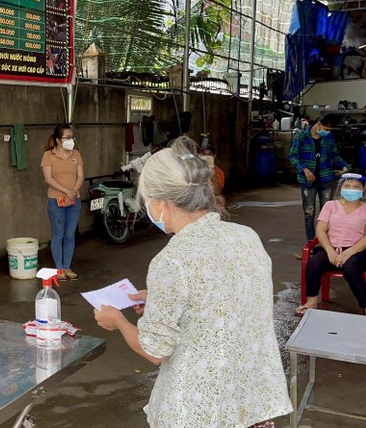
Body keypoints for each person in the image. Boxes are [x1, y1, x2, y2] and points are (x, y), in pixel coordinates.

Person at [93, 137, 292, 428]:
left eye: (147, 200)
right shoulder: (245, 236)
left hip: (201, 407)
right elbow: (227, 297)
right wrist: (160, 297)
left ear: (162, 203)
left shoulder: (172, 260)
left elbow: (154, 351)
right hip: (252, 400)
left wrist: (118, 322)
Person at [297, 172, 366, 316]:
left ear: (363, 189)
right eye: (347, 186)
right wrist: (330, 251)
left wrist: (348, 252)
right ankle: (311, 301)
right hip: (331, 248)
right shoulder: (330, 205)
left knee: (351, 268)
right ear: (341, 188)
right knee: (314, 263)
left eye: (356, 187)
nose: (351, 189)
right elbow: (321, 230)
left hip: (358, 251)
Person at [289, 113, 348, 241]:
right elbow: (292, 156)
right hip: (307, 182)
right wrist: (304, 169)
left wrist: (346, 166)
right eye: (326, 129)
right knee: (309, 213)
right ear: (319, 124)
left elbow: (334, 155)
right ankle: (311, 243)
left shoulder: (329, 137)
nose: (327, 132)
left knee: (327, 214)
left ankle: (325, 243)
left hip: (326, 179)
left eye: (330, 130)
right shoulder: (302, 136)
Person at [41, 124, 84, 280]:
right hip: (56, 200)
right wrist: (67, 191)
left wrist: (73, 192)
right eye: (67, 137)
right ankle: (59, 269)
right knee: (58, 235)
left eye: (72, 137)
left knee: (70, 235)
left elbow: (80, 176)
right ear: (58, 140)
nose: (71, 140)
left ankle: (67, 267)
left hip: (74, 200)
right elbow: (48, 179)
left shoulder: (76, 154)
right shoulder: (48, 155)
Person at [200, 145, 226, 211]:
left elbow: (217, 192)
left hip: (210, 197)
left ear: (214, 156)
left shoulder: (218, 172)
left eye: (209, 154)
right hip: (198, 196)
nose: (207, 157)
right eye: (204, 154)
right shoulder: (195, 169)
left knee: (220, 199)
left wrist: (213, 177)